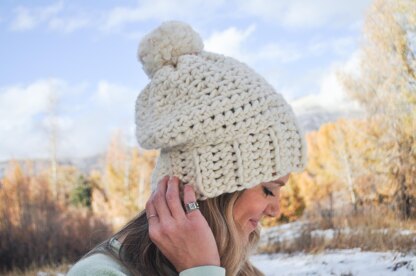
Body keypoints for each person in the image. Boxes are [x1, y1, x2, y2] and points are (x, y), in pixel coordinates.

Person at [67, 21, 307, 276]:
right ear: (217, 184)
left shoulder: (240, 270)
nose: (276, 210)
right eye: (269, 190)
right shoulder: (101, 273)